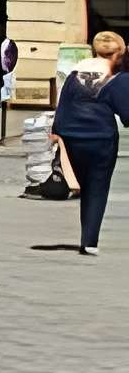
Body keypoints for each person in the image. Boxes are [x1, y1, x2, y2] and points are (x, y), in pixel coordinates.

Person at [50, 32, 129, 258]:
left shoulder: (75, 74)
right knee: (97, 188)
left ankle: (87, 237)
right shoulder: (117, 77)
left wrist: (58, 134)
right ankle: (89, 240)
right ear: (119, 54)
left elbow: (63, 105)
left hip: (72, 136)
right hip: (100, 138)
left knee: (86, 186)